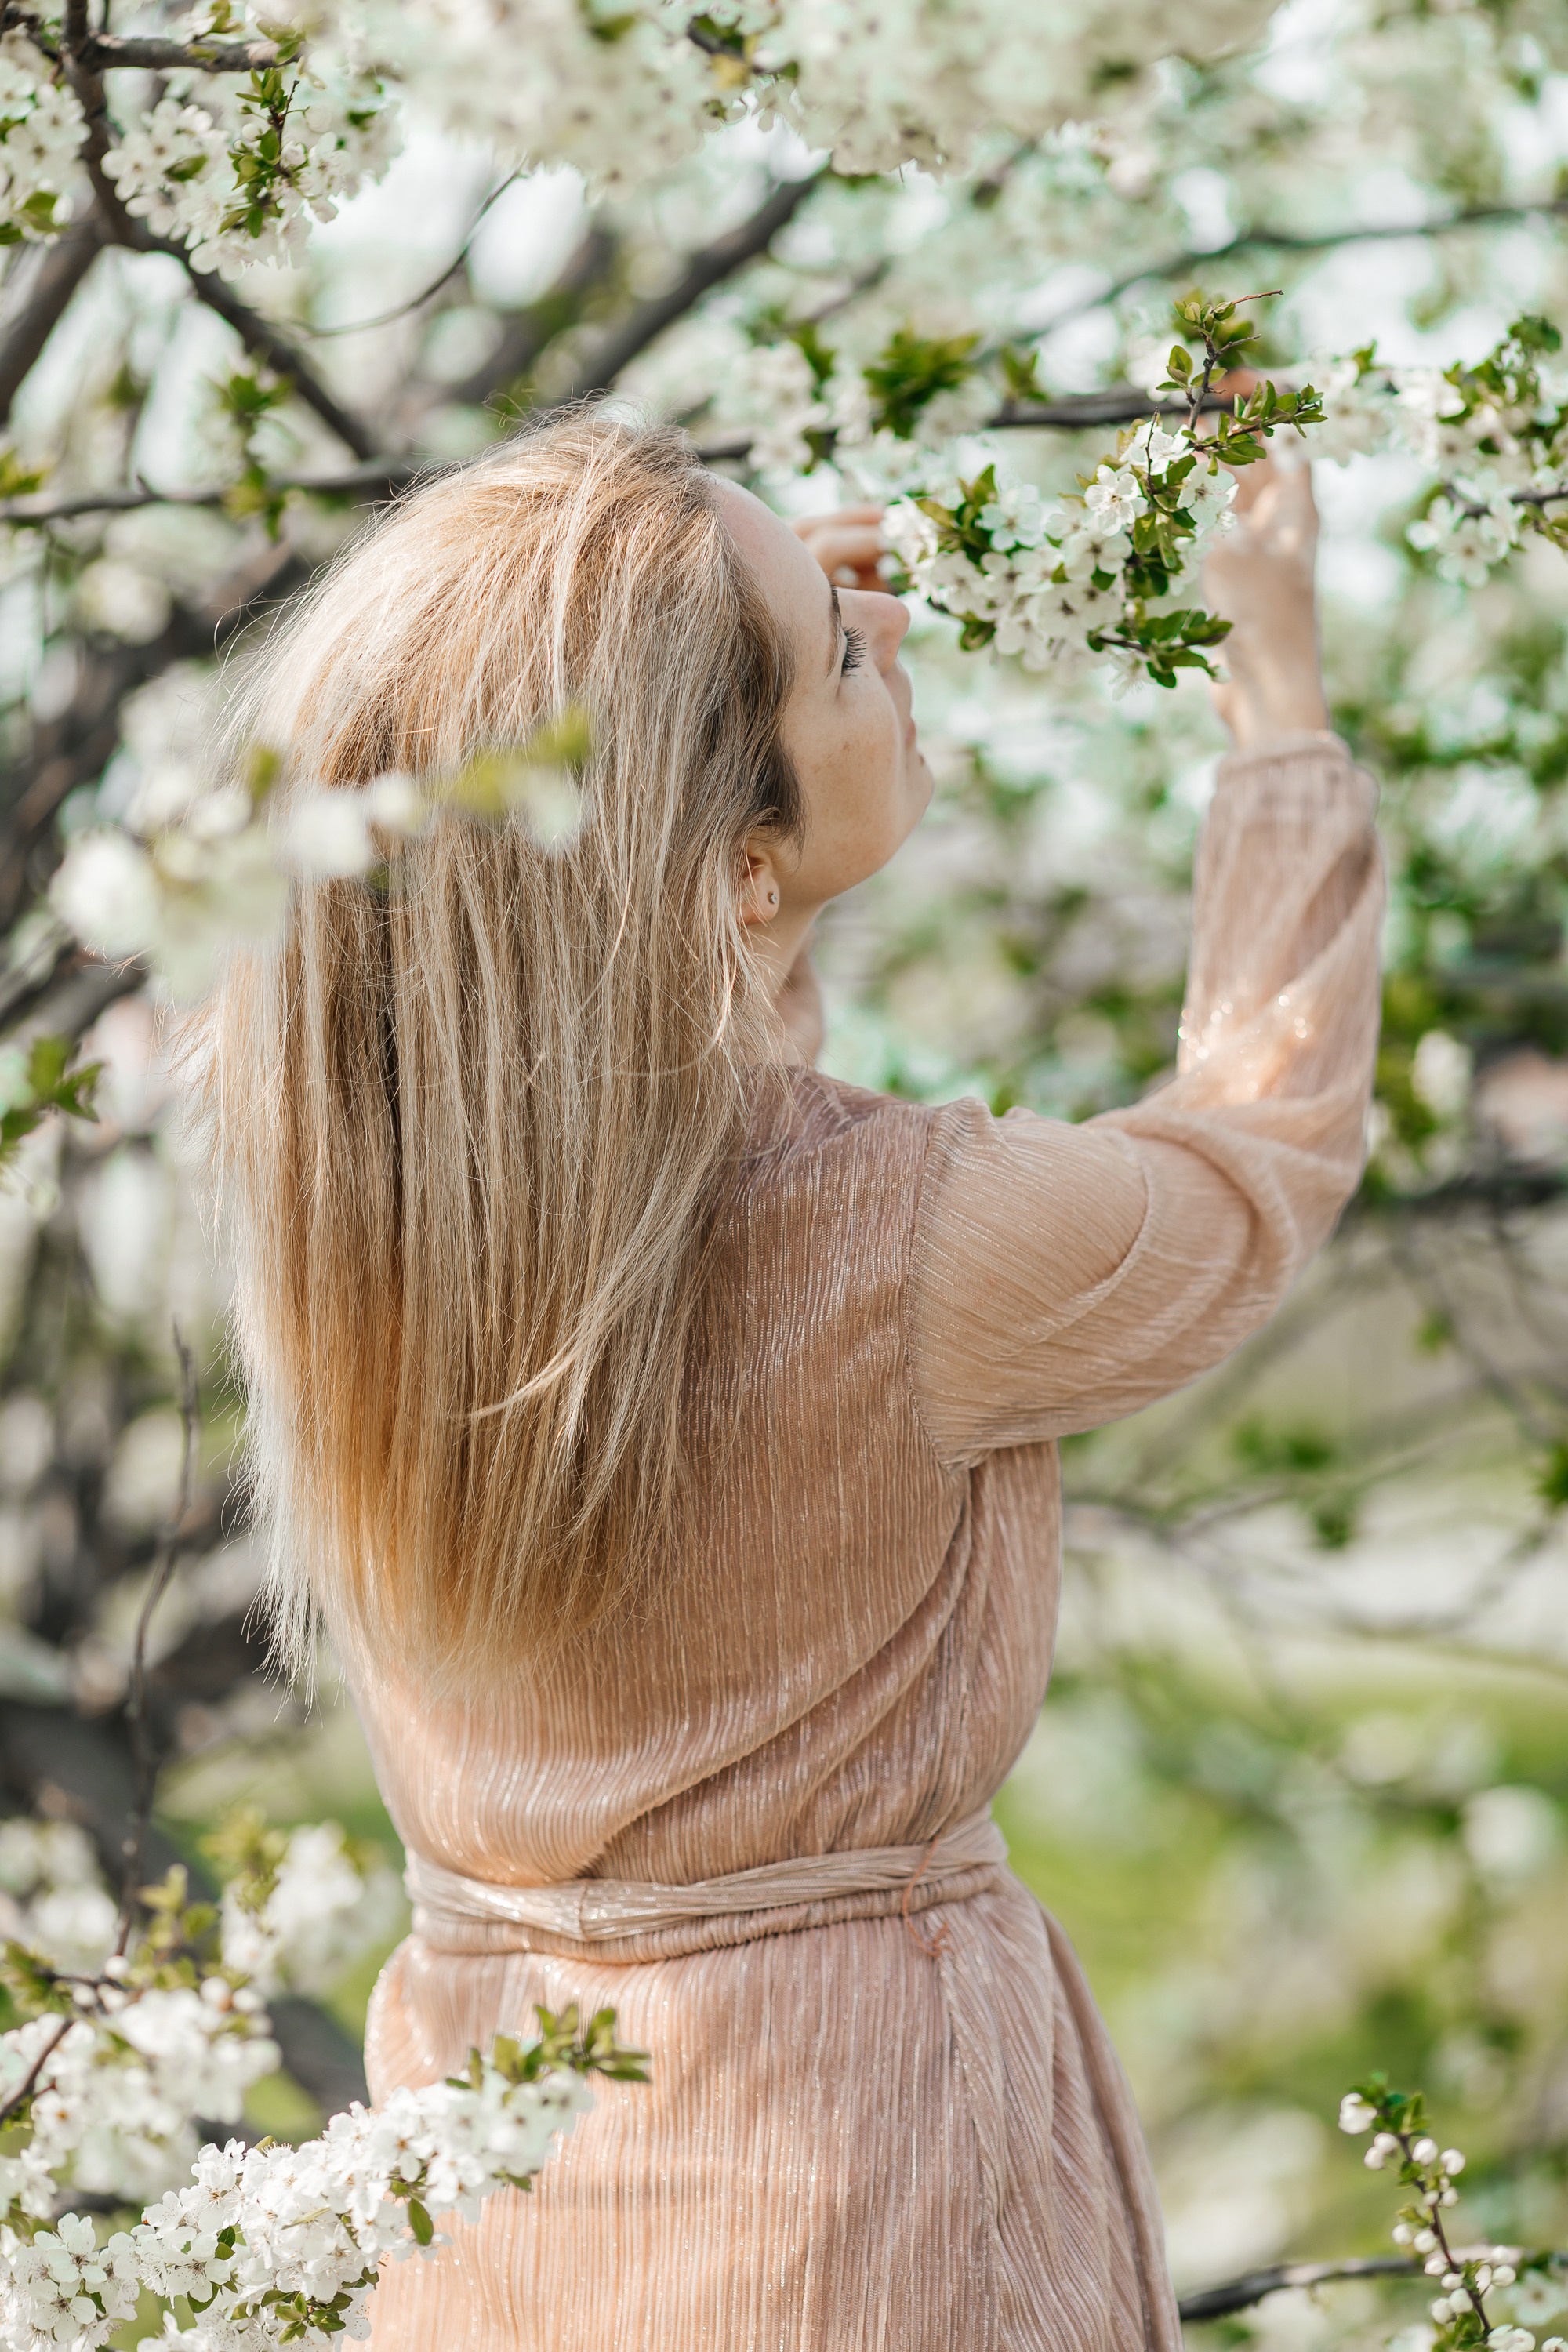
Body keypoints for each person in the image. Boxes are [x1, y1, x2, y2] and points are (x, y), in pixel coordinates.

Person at [201, 410, 1381, 2350]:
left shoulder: (376, 1226)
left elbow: (667, 1129)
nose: (882, 618)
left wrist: (782, 767)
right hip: (869, 2191)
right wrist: (1275, 705)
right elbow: (1257, 1165)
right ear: (729, 868)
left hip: (499, 2201)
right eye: (837, 644)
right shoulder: (925, 1244)